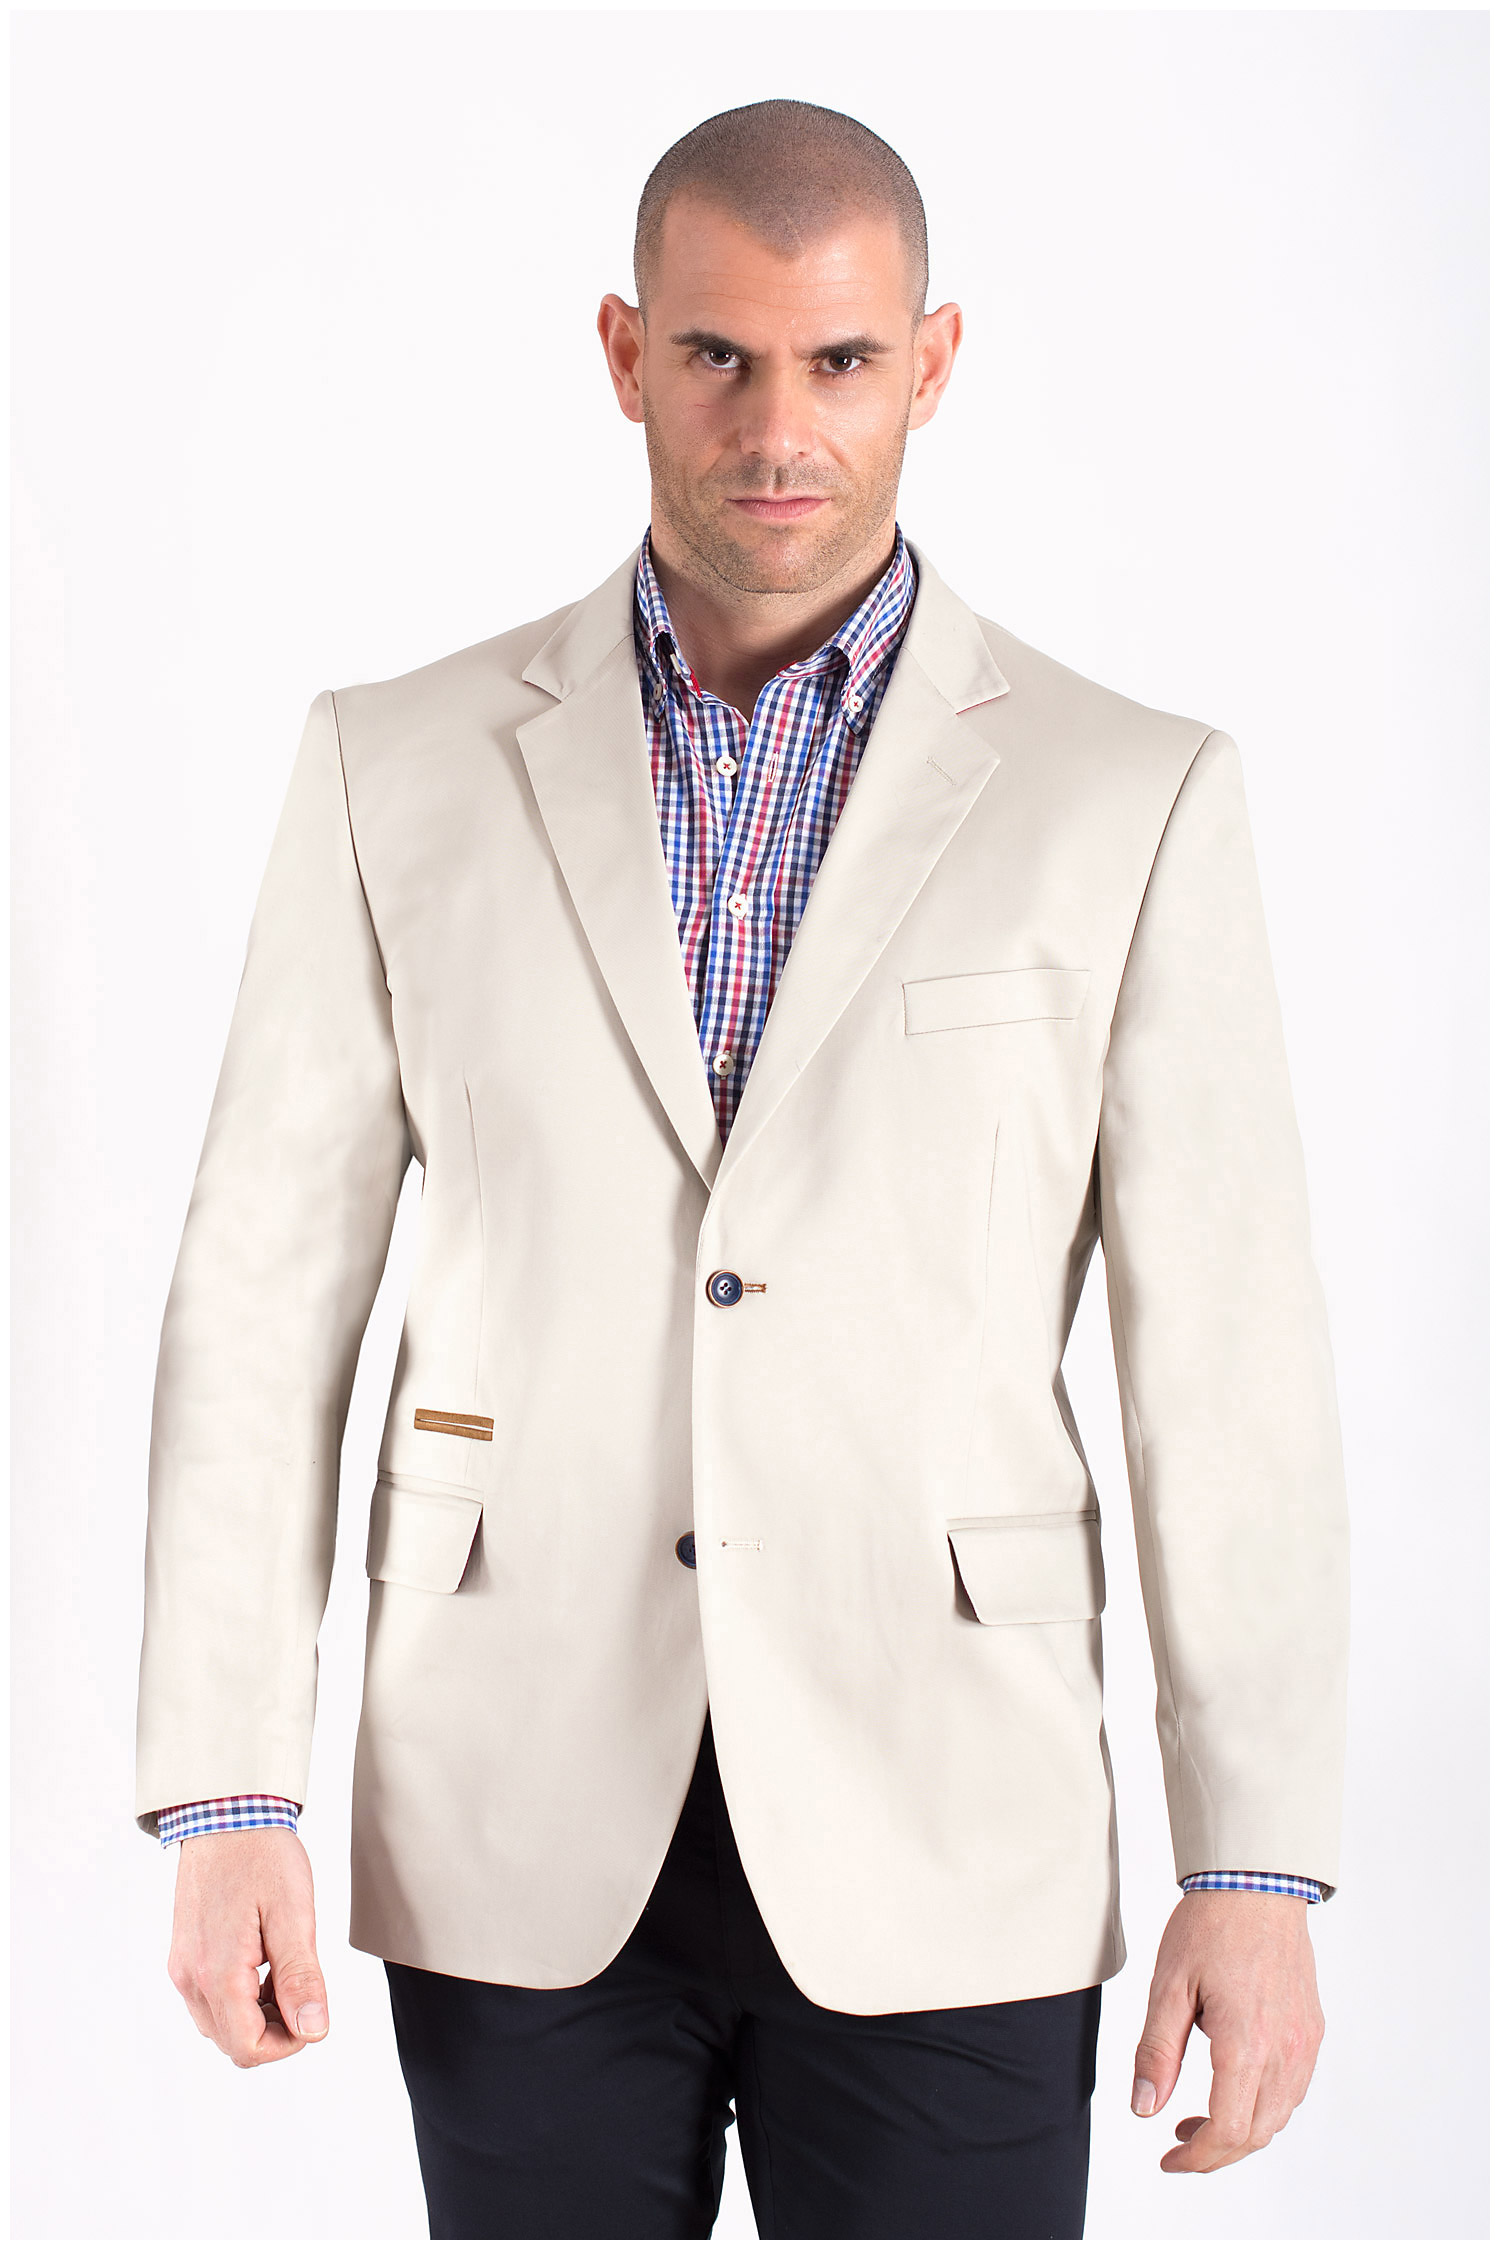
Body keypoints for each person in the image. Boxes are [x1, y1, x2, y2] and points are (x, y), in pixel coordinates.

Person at [137, 98, 1349, 2242]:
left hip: (949, 1808)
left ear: (933, 362)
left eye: (842, 360)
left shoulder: (1130, 795)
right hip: (515, 1799)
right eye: (718, 355)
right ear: (625, 353)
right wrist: (227, 1787)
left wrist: (1249, 1861)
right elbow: (260, 1296)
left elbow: (1225, 1359)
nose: (779, 429)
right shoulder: (391, 766)